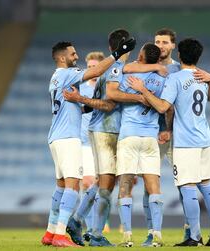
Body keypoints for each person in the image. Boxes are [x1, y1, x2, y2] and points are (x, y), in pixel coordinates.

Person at [128, 38, 210, 247]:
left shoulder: (177, 78)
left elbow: (163, 107)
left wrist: (143, 90)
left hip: (186, 142)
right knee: (206, 185)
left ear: (179, 55)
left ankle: (194, 237)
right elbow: (209, 98)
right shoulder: (203, 76)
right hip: (204, 139)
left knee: (188, 187)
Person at [41, 39, 135, 247]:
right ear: (63, 58)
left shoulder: (56, 78)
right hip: (68, 138)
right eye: (73, 54)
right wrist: (118, 53)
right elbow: (94, 73)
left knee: (61, 186)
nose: (76, 57)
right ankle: (60, 235)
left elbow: (71, 106)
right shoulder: (67, 74)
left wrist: (87, 105)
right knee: (73, 187)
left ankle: (49, 232)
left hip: (56, 136)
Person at [116, 43, 165, 247]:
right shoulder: (162, 78)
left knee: (126, 184)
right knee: (153, 185)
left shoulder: (130, 77)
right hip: (150, 137)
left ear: (142, 56)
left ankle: (127, 235)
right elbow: (164, 105)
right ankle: (157, 235)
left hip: (129, 135)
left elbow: (117, 89)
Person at [65, 51, 105, 245]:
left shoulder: (107, 87)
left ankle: (90, 227)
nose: (92, 71)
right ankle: (88, 229)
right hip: (84, 143)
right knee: (88, 183)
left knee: (100, 187)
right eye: (88, 67)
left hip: (101, 141)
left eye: (94, 67)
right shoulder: (80, 88)